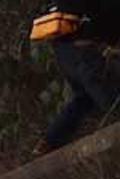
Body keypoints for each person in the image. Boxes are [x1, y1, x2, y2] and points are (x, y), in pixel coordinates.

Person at [40, 1, 120, 151]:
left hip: (64, 49)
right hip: (82, 48)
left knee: (85, 98)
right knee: (111, 98)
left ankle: (49, 142)